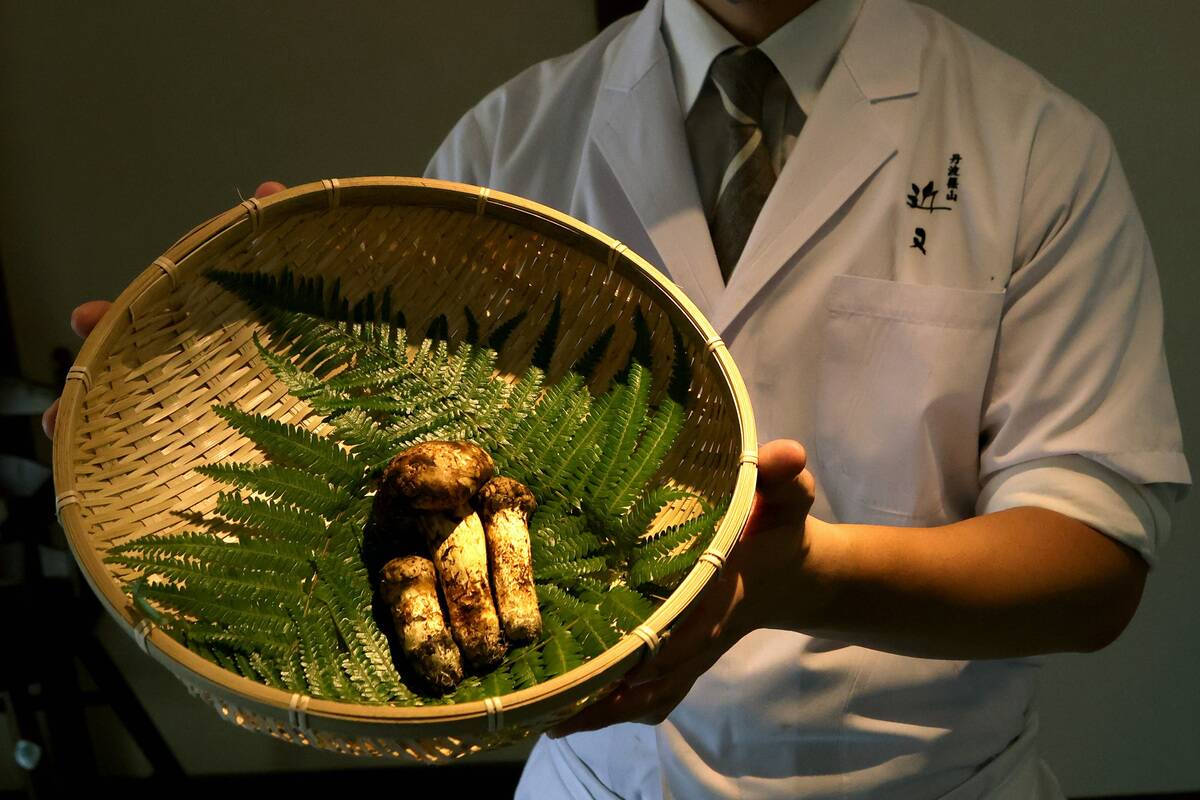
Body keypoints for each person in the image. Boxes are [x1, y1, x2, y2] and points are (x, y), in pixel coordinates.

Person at [45, 0, 1190, 797]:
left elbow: (1091, 565)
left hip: (917, 777)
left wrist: (794, 579)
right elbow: (411, 457)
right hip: (602, 782)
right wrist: (244, 382)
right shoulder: (511, 140)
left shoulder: (1034, 145)